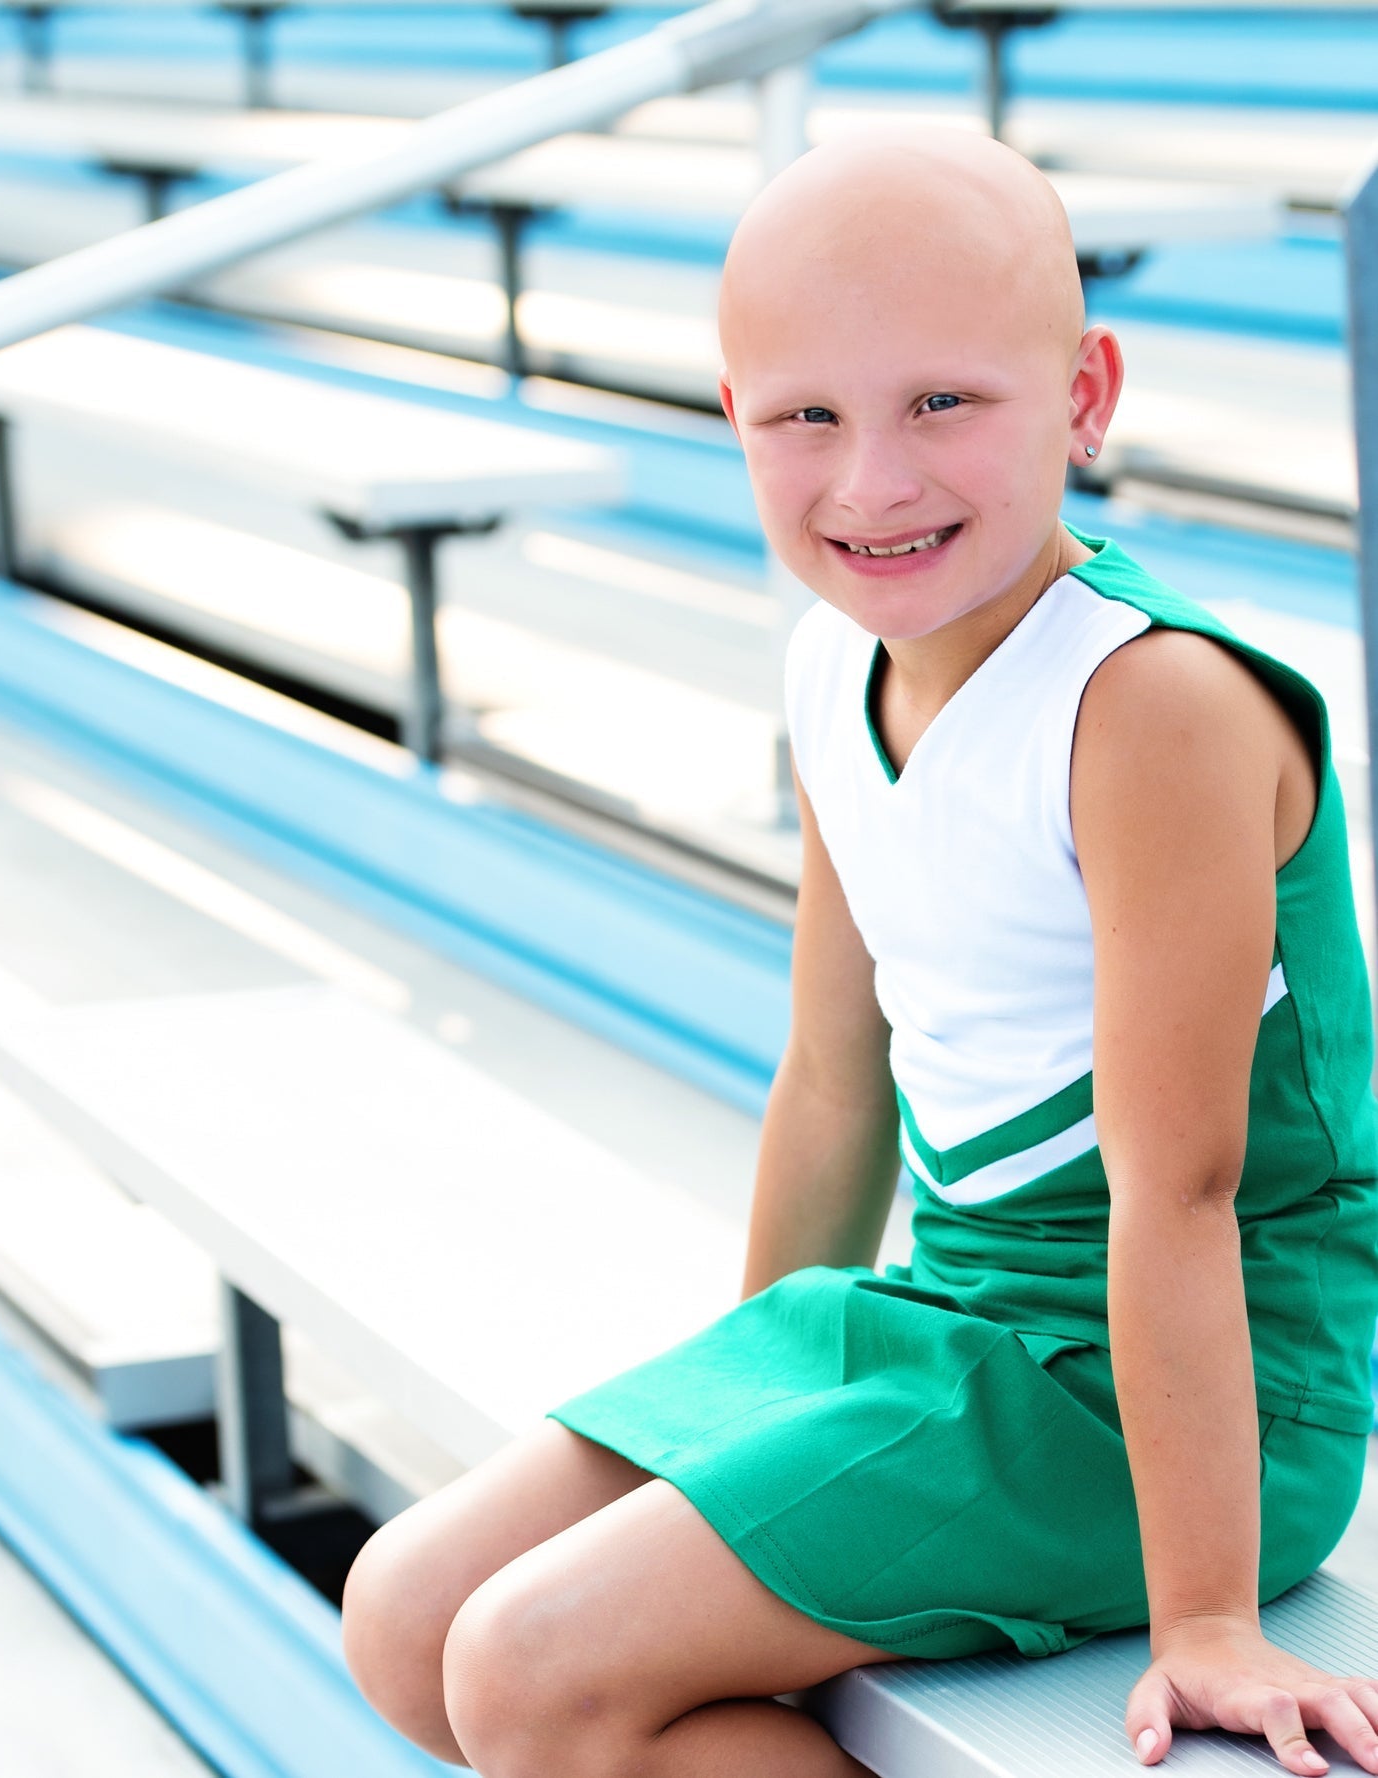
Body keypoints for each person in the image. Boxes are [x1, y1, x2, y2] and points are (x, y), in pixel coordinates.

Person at [339, 127, 1378, 1777]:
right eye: (803, 415)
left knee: (535, 1670)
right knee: (407, 1619)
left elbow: (1173, 1190)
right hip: (949, 1314)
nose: (871, 482)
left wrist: (1204, 1618)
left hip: (1176, 1395)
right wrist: (742, 1455)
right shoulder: (842, 662)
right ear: (731, 415)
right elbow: (834, 1083)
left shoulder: (1149, 706)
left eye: (942, 403)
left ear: (1084, 395)